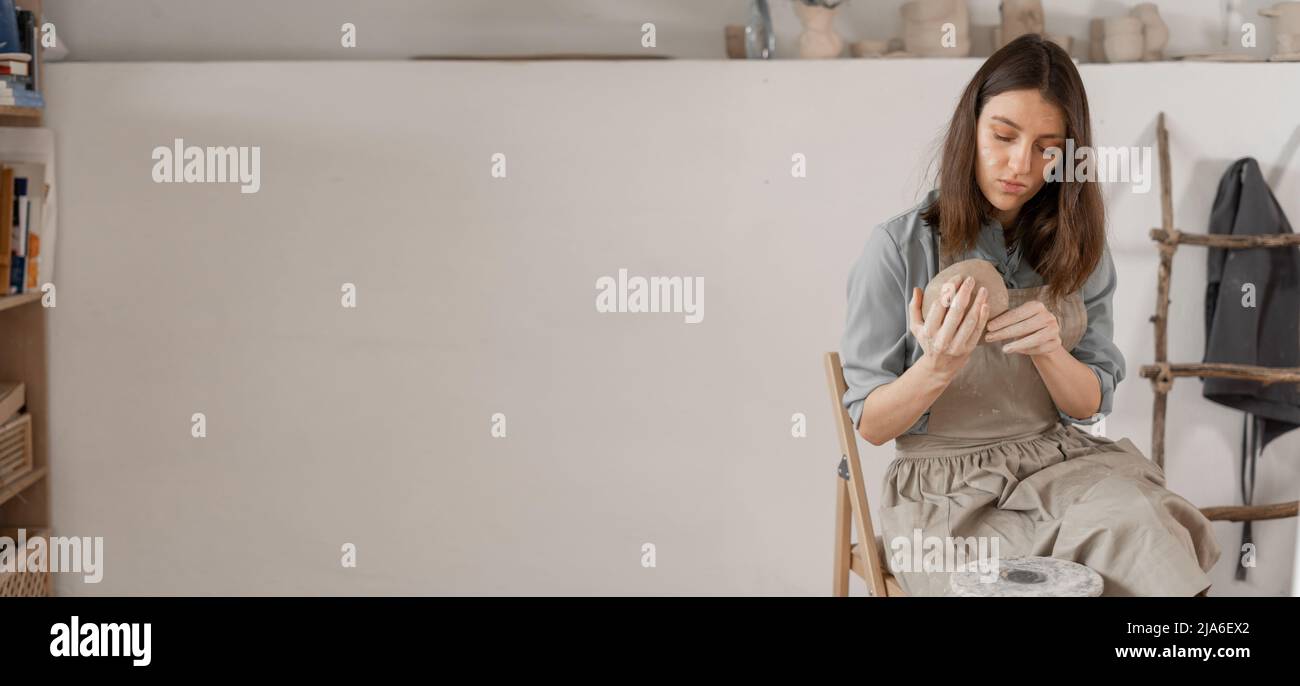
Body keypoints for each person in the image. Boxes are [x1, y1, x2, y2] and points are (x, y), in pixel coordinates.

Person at [840, 34, 1221, 596]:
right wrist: (938, 366)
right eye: (1002, 136)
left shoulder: (1079, 247)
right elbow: (872, 427)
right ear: (969, 128)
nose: (1021, 163)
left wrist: (1050, 351)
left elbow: (1088, 405)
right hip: (945, 492)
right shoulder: (899, 247)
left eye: (1047, 147)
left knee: (1145, 533)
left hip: (1057, 469)